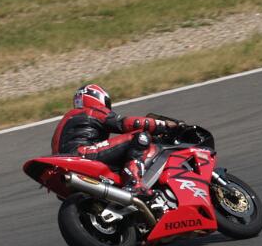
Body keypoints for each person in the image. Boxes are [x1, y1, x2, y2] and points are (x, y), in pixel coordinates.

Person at [51, 83, 181, 197]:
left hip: (64, 165)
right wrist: (162, 125)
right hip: (83, 154)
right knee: (139, 136)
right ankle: (134, 183)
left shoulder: (64, 122)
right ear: (97, 97)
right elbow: (127, 123)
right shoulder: (92, 110)